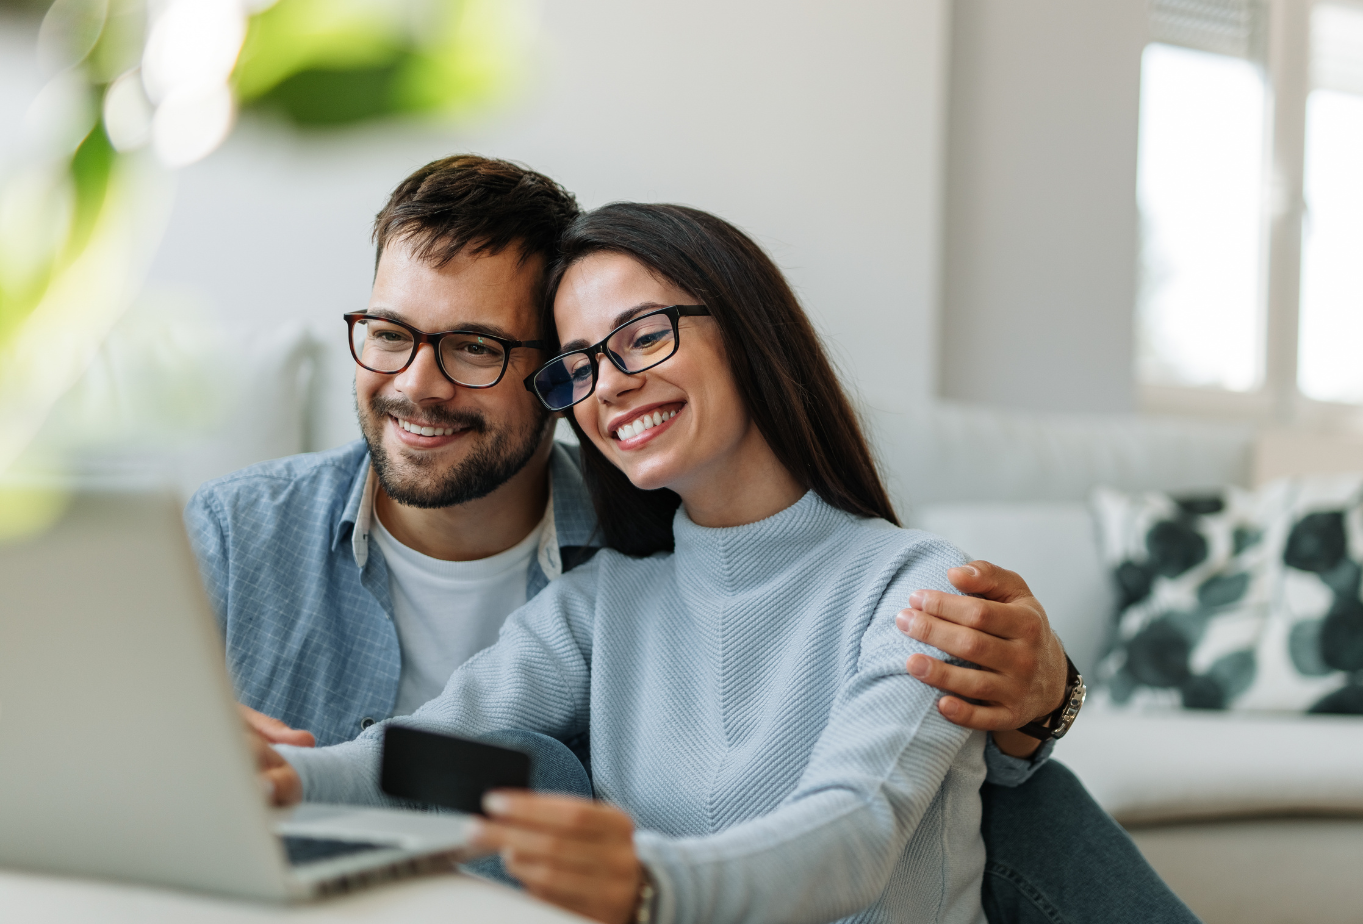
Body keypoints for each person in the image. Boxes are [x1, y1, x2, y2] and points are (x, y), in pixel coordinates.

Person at [192, 157, 1198, 923]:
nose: (612, 384)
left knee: (1035, 800)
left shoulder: (914, 587)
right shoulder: (601, 604)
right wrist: (291, 776)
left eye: (641, 337)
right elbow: (439, 745)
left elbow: (851, 831)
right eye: (582, 364)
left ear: (748, 332)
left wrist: (645, 882)